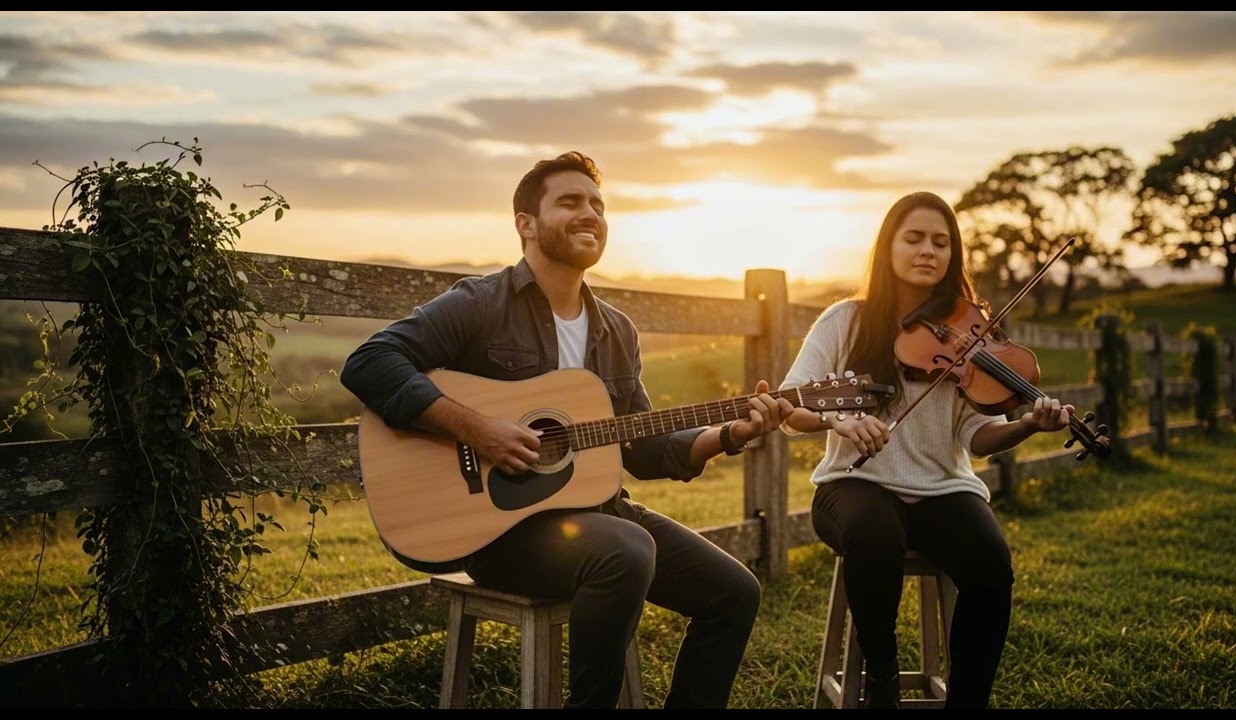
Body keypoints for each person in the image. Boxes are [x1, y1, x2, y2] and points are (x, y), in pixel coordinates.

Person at [340, 151, 793, 709]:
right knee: (626, 550)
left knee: (734, 592)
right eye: (571, 202)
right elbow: (370, 362)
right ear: (526, 224)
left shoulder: (615, 330)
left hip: (601, 516)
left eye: (598, 204)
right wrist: (478, 429)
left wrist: (728, 436)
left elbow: (645, 448)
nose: (591, 214)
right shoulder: (480, 304)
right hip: (501, 531)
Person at [779, 191, 1073, 709]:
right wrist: (840, 419)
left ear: (953, 255)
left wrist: (1026, 426)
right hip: (853, 487)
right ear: (888, 247)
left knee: (990, 561)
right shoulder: (845, 321)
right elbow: (789, 405)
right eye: (913, 238)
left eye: (941, 242)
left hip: (943, 489)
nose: (927, 251)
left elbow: (977, 436)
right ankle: (883, 679)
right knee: (874, 531)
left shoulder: (971, 332)